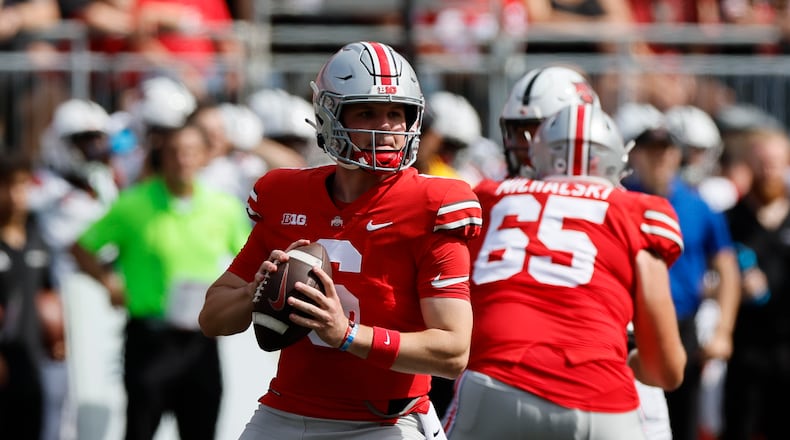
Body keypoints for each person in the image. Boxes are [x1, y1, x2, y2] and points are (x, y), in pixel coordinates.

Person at [199, 41, 483, 440]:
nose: (386, 127)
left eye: (396, 113)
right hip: (287, 410)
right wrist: (255, 290)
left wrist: (347, 334)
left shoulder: (434, 204)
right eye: (367, 111)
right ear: (329, 116)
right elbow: (211, 318)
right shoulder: (285, 194)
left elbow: (453, 351)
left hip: (386, 422)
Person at [444, 103, 686, 439]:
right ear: (615, 159)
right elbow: (668, 371)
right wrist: (634, 363)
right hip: (600, 399)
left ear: (536, 154)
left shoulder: (487, 195)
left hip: (497, 382)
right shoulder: (638, 211)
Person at [71, 121, 251, 440]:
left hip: (200, 343)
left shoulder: (222, 208)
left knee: (201, 431)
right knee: (140, 430)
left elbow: (249, 259)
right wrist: (109, 282)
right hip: (149, 339)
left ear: (203, 157)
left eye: (190, 152)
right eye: (174, 152)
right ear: (162, 157)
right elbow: (82, 247)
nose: (182, 159)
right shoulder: (134, 205)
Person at [617, 102, 740, 440]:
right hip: (628, 326)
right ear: (636, 155)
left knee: (682, 417)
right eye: (649, 150)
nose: (658, 158)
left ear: (677, 155)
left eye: (665, 150)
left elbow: (726, 268)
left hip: (681, 323)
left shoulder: (699, 206)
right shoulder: (620, 201)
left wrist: (723, 330)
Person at [723, 128, 790, 440]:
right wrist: (732, 286)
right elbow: (707, 280)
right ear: (749, 164)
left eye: (776, 163)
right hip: (745, 349)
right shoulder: (730, 220)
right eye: (762, 162)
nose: (769, 170)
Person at [0, 151, 64, 440]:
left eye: (22, 185)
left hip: (32, 366)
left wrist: (57, 333)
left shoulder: (38, 236)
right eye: (7, 185)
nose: (15, 195)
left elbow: (48, 294)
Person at [498, 65, 599, 179]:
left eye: (537, 133)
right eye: (518, 133)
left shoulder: (608, 191)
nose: (524, 146)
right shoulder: (496, 189)